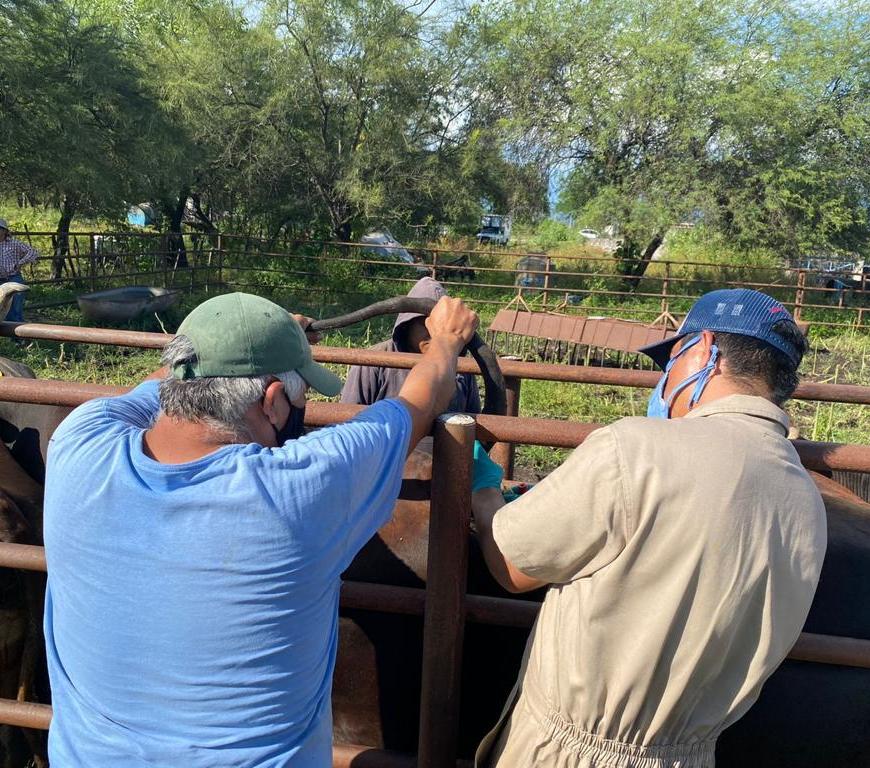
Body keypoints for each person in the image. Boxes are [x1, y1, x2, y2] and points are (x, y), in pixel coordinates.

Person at [42, 291, 478, 767]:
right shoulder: (303, 485)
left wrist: (248, 338)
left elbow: (164, 382)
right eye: (298, 397)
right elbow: (423, 395)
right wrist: (445, 342)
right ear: (272, 402)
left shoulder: (79, 442)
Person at [470, 288, 827, 768]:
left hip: (568, 754)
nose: (663, 381)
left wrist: (485, 492)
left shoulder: (633, 448)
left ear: (702, 351)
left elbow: (512, 567)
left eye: (671, 360)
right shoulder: (807, 501)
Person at [341, 276, 480, 414]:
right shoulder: (373, 361)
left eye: (443, 325)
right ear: (407, 325)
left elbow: (475, 421)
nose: (435, 332)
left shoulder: (460, 366)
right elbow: (348, 419)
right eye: (425, 323)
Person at [0, 218, 38, 322]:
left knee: (15, 308)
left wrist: (20, 263)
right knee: (2, 309)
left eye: (0, 228)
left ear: (5, 231)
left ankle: (17, 336)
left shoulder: (14, 243)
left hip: (13, 278)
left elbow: (32, 252)